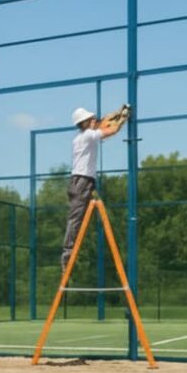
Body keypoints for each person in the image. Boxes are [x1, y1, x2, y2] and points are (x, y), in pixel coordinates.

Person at [62, 105, 128, 271]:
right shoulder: (88, 136)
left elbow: (102, 125)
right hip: (82, 181)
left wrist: (117, 114)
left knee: (79, 217)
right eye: (91, 119)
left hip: (83, 181)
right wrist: (122, 119)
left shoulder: (83, 136)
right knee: (75, 218)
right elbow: (109, 131)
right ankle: (67, 254)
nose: (94, 120)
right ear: (84, 123)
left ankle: (69, 252)